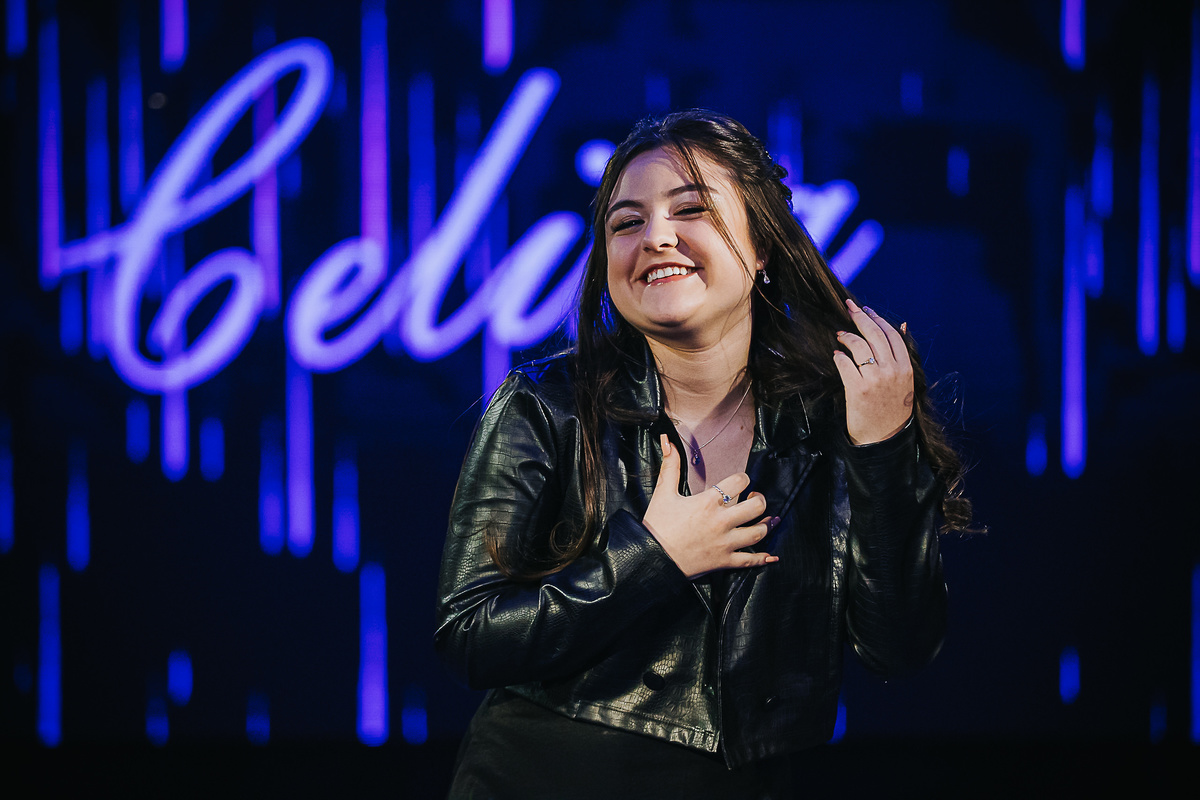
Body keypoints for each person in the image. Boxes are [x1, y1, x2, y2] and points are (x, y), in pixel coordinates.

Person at [435, 109, 972, 798]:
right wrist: (651, 558)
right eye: (626, 223)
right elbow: (469, 634)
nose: (656, 236)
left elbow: (899, 648)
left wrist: (882, 452)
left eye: (691, 209)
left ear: (761, 246)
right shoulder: (547, 406)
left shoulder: (829, 418)